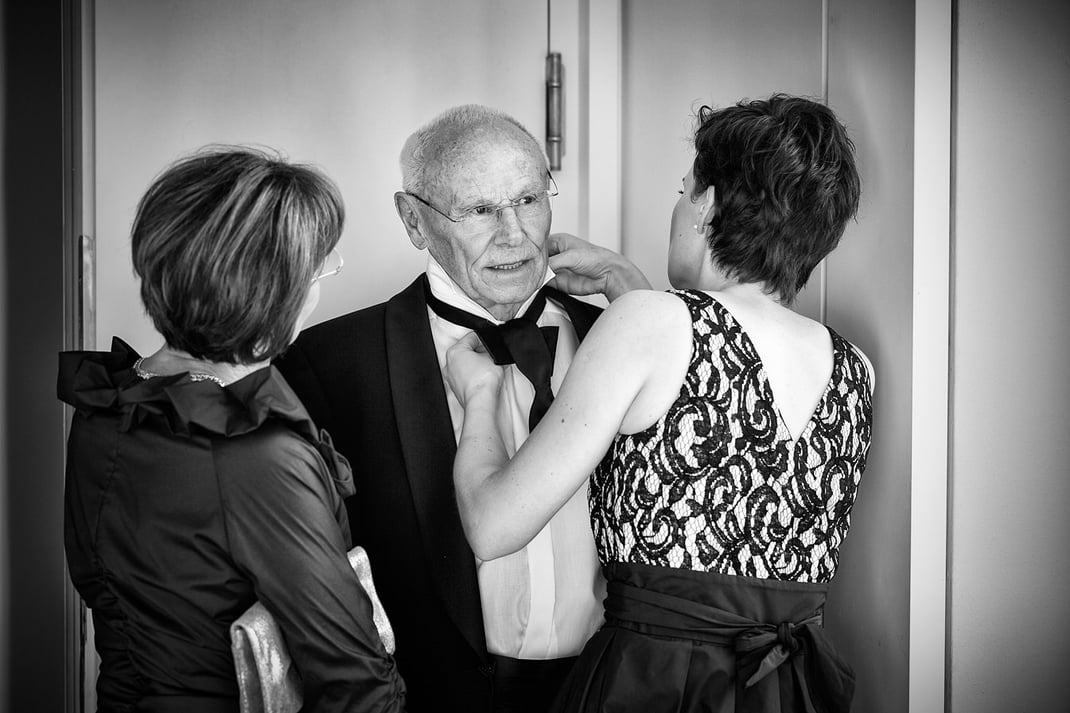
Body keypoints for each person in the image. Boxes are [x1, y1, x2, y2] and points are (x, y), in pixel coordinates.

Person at [446, 94, 875, 713]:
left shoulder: (649, 326)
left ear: (705, 204)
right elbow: (710, 447)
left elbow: (492, 526)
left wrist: (482, 398)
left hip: (658, 683)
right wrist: (626, 285)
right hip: (784, 691)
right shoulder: (852, 367)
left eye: (684, 189)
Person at [275, 105, 605, 713]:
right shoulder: (330, 365)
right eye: (479, 210)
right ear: (413, 221)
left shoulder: (616, 340)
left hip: (610, 691)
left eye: (529, 199)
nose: (514, 234)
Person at [59, 148, 406, 713]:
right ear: (271, 290)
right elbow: (357, 684)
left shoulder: (108, 405)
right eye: (315, 266)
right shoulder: (254, 455)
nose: (320, 283)